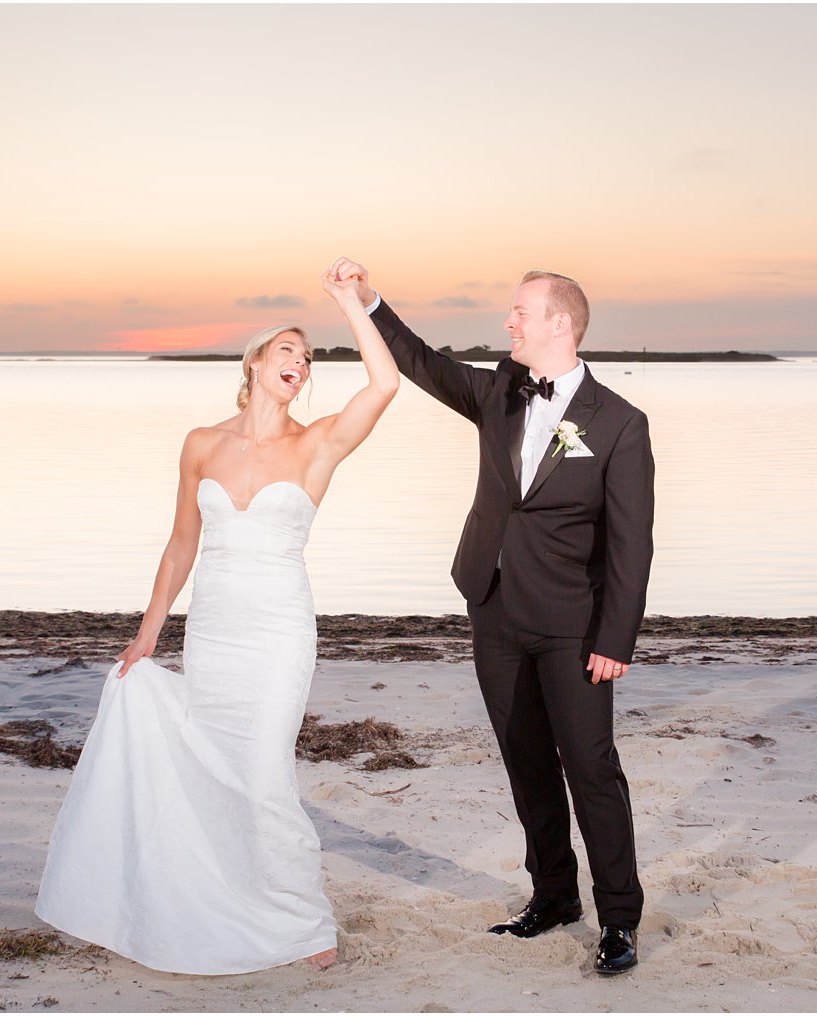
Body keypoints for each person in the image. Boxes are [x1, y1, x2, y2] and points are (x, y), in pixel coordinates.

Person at [34, 264, 399, 975]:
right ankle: (226, 895)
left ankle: (302, 919)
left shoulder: (315, 445)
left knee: (263, 776)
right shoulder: (200, 443)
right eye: (288, 349)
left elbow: (384, 385)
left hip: (279, 634)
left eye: (309, 356)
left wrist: (349, 303)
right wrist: (148, 635)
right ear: (256, 362)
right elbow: (180, 544)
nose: (301, 361)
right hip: (214, 634)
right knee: (215, 767)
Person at [329, 257, 654, 976]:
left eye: (520, 313)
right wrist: (367, 298)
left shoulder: (621, 424)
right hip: (495, 612)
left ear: (559, 324)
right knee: (525, 762)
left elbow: (633, 543)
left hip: (573, 627)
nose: (508, 322)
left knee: (592, 769)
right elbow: (421, 363)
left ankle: (620, 919)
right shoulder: (500, 390)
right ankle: (553, 897)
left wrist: (615, 639)